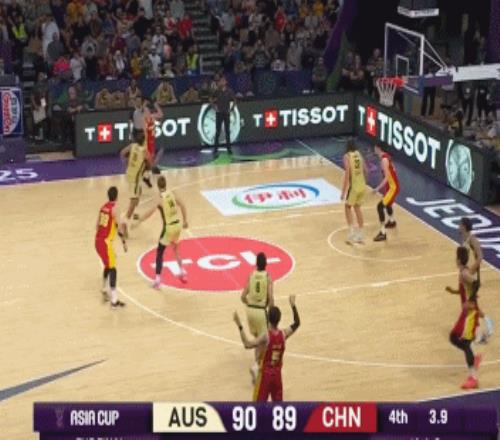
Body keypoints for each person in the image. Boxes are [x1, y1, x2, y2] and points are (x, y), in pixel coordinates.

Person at [233, 295, 300, 401]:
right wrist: (293, 305)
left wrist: (239, 325)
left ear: (268, 319)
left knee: (259, 407)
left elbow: (247, 344)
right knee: (278, 408)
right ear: (279, 319)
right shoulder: (283, 335)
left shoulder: (266, 337)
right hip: (277, 377)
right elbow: (297, 323)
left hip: (264, 377)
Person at [136, 175, 188, 288]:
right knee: (176, 250)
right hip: (177, 225)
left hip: (168, 227)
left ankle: (158, 279)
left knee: (160, 252)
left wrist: (140, 219)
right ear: (165, 184)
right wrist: (185, 221)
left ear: (158, 186)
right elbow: (183, 205)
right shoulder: (172, 193)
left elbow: (150, 213)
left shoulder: (160, 199)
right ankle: (182, 272)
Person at [446, 247, 482, 389]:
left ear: (459, 260)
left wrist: (470, 300)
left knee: (462, 341)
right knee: (455, 338)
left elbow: (476, 284)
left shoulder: (464, 273)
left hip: (469, 314)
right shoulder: (463, 272)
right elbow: (466, 289)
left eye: (456, 257)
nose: (455, 260)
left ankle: (473, 378)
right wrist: (454, 292)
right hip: (466, 313)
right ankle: (473, 357)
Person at [241, 252, 274, 383]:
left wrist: (250, 304)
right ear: (266, 264)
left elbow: (243, 297)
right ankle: (256, 366)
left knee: (257, 341)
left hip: (250, 311)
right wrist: (272, 313)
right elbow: (270, 298)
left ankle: (256, 369)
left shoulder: (251, 275)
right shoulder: (268, 277)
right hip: (261, 312)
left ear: (256, 264)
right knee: (265, 342)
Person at [459, 217, 494, 342]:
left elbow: (480, 257)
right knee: (471, 305)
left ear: (464, 226)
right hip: (466, 276)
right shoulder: (464, 238)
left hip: (472, 277)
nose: (458, 226)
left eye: (460, 224)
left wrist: (470, 272)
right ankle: (483, 326)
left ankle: (481, 328)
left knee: (470, 305)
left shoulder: (473, 240)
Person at [95, 186, 127, 308]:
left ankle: (104, 288)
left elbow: (97, 226)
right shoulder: (114, 209)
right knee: (113, 268)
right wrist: (124, 242)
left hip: (97, 241)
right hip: (105, 242)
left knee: (108, 264)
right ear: (117, 196)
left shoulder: (103, 207)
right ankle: (114, 300)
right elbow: (119, 229)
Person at [120, 131, 152, 236]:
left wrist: (127, 162)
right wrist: (147, 163)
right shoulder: (144, 151)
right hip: (135, 179)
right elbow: (150, 165)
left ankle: (131, 214)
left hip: (129, 174)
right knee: (134, 202)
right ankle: (124, 225)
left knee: (138, 195)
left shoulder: (132, 146)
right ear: (144, 141)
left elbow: (122, 153)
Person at [341, 139, 367, 244]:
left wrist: (343, 192)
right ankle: (360, 234)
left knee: (347, 207)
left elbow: (347, 175)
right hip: (362, 185)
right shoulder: (359, 154)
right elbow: (366, 170)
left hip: (354, 187)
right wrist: (363, 182)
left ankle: (351, 232)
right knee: (357, 208)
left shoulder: (347, 156)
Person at [372, 144, 399, 241]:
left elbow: (387, 177)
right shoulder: (386, 157)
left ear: (378, 148)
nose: (374, 149)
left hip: (392, 187)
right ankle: (392, 221)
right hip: (391, 186)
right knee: (387, 204)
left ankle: (383, 233)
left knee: (380, 207)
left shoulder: (384, 160)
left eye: (375, 147)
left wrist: (377, 188)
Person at [210, 76, 236, 156]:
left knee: (227, 131)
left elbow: (234, 100)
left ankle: (229, 149)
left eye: (223, 81)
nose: (222, 82)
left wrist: (231, 109)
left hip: (226, 113)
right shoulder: (217, 91)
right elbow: (211, 99)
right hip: (219, 113)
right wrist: (214, 108)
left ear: (225, 82)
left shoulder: (229, 91)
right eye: (221, 81)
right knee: (218, 131)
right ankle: (215, 149)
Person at [143, 99, 164, 186]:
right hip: (147, 142)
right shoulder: (144, 121)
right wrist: (145, 145)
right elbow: (145, 134)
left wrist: (156, 105)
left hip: (152, 141)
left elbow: (161, 114)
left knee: (152, 158)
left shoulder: (152, 117)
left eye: (148, 111)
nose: (147, 113)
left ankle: (148, 174)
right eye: (146, 111)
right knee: (149, 159)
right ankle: (149, 173)